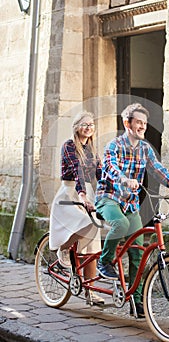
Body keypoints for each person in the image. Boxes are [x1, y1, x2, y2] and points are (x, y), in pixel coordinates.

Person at [95, 103, 169, 317]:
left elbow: (158, 170)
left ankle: (137, 303)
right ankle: (104, 261)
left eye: (145, 123)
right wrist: (124, 179)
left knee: (138, 253)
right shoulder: (114, 145)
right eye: (138, 122)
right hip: (108, 198)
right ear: (127, 123)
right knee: (120, 224)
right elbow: (111, 167)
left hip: (130, 204)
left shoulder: (145, 148)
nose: (142, 127)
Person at [49, 111, 104, 305]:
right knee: (85, 224)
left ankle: (90, 292)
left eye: (91, 124)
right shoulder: (69, 146)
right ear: (76, 127)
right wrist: (82, 196)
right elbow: (77, 172)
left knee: (92, 244)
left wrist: (116, 190)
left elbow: (100, 173)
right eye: (84, 124)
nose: (89, 127)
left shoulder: (92, 149)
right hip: (69, 194)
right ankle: (63, 249)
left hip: (86, 195)